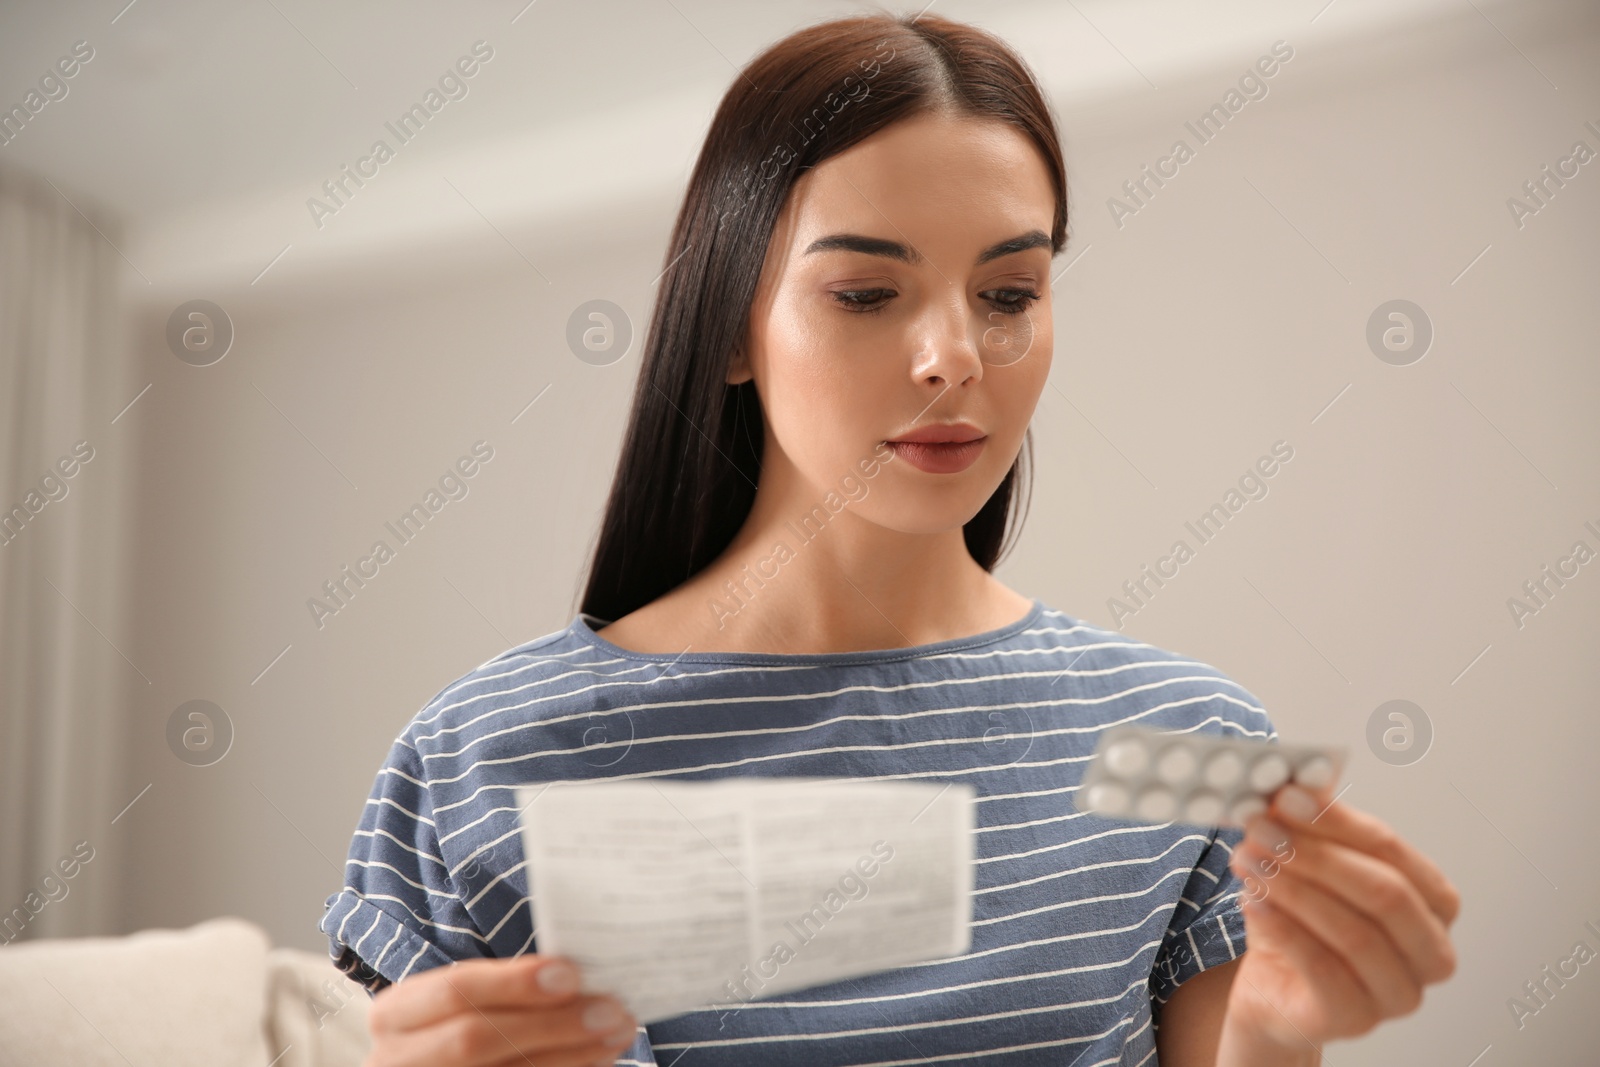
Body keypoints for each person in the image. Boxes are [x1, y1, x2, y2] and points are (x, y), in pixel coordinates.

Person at [320, 12, 1459, 1066]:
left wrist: (1269, 1036)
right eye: (866, 293)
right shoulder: (479, 758)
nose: (954, 357)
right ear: (728, 327)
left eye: (1009, 292)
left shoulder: (1188, 743)